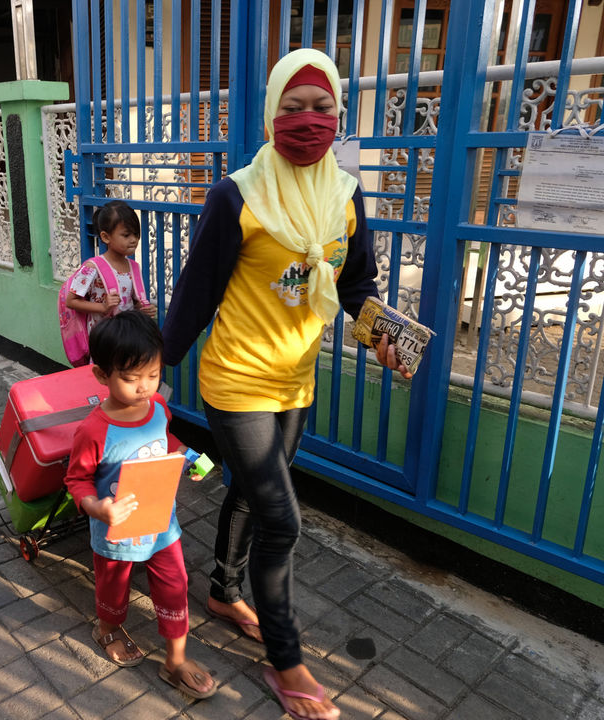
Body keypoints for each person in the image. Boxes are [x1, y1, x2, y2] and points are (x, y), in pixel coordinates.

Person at [161, 49, 412, 720]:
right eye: (293, 108)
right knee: (284, 521)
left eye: (321, 107)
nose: (308, 120)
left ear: (339, 114)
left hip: (295, 381)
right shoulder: (235, 195)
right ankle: (285, 657)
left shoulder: (347, 195)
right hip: (236, 380)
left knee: (249, 492)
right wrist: (152, 372)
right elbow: (195, 295)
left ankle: (221, 591)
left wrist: (382, 337)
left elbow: (357, 287)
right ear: (271, 115)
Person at [63, 310, 216, 701]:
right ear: (102, 376)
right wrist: (99, 509)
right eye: (131, 379)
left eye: (153, 375)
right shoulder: (93, 430)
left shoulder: (158, 410)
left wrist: (190, 457)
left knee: (176, 584)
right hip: (116, 532)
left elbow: (168, 442)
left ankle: (175, 660)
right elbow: (76, 480)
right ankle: (108, 628)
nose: (145, 387)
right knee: (114, 589)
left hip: (162, 523)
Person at [65, 200, 157, 330]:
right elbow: (71, 301)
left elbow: (130, 303)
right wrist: (102, 307)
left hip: (127, 334)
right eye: (126, 235)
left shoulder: (134, 267)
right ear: (106, 237)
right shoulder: (92, 267)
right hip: (103, 338)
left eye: (136, 234)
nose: (133, 240)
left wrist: (143, 309)